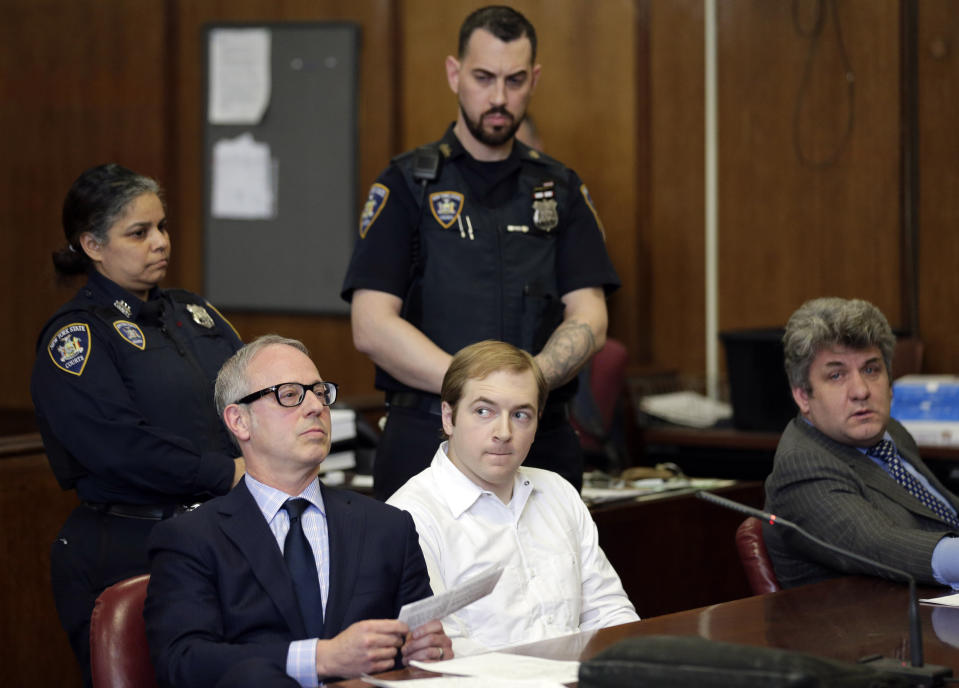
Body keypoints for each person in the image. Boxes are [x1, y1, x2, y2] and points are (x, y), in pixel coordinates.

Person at [341, 5, 620, 500]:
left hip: (541, 441)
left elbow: (590, 314)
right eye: (483, 77)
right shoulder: (407, 184)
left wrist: (530, 380)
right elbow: (371, 324)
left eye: (514, 81)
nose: (498, 97)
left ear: (534, 79)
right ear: (455, 74)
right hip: (427, 440)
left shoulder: (559, 188)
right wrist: (475, 392)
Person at [30, 163, 245, 686]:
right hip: (130, 538)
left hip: (218, 532)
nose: (160, 242)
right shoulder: (77, 337)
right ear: (93, 245)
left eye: (163, 227)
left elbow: (250, 392)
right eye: (139, 232)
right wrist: (228, 473)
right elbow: (118, 447)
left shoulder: (195, 314)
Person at [144, 335, 451, 688]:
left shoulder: (388, 527)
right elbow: (182, 662)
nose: (315, 407)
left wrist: (427, 653)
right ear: (239, 421)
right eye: (289, 395)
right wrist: (320, 657)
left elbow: (418, 647)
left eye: (320, 393)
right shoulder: (192, 538)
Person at [387, 340, 638, 655]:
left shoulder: (557, 492)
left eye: (521, 415)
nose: (503, 432)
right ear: (448, 417)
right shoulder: (408, 517)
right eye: (483, 411)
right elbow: (441, 651)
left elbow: (608, 609)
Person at [764, 297, 959, 589]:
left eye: (871, 370)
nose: (860, 391)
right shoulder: (801, 465)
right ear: (803, 396)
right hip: (871, 626)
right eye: (837, 375)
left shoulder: (890, 433)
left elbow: (943, 515)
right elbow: (883, 546)